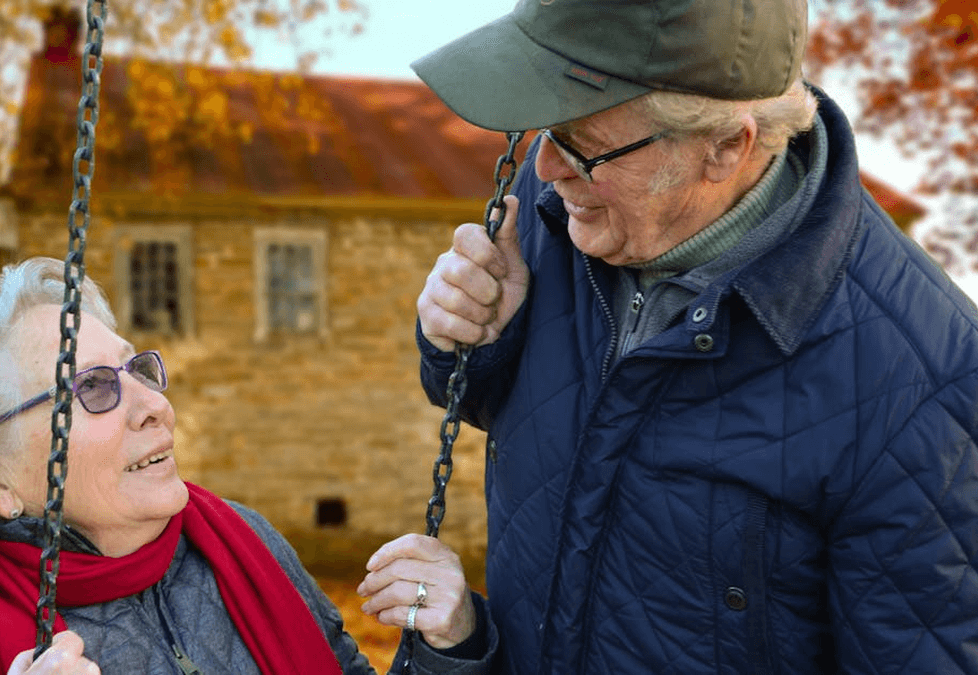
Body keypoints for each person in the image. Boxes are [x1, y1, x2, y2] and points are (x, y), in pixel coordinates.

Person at [411, 0, 978, 673]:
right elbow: (515, 416)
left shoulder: (922, 383)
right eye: (544, 132)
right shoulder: (559, 217)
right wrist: (468, 340)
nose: (546, 169)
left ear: (725, 148)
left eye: (582, 146)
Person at [0, 257, 496, 674]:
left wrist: (449, 643)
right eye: (93, 387)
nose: (153, 403)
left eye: (138, 369)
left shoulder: (242, 543)